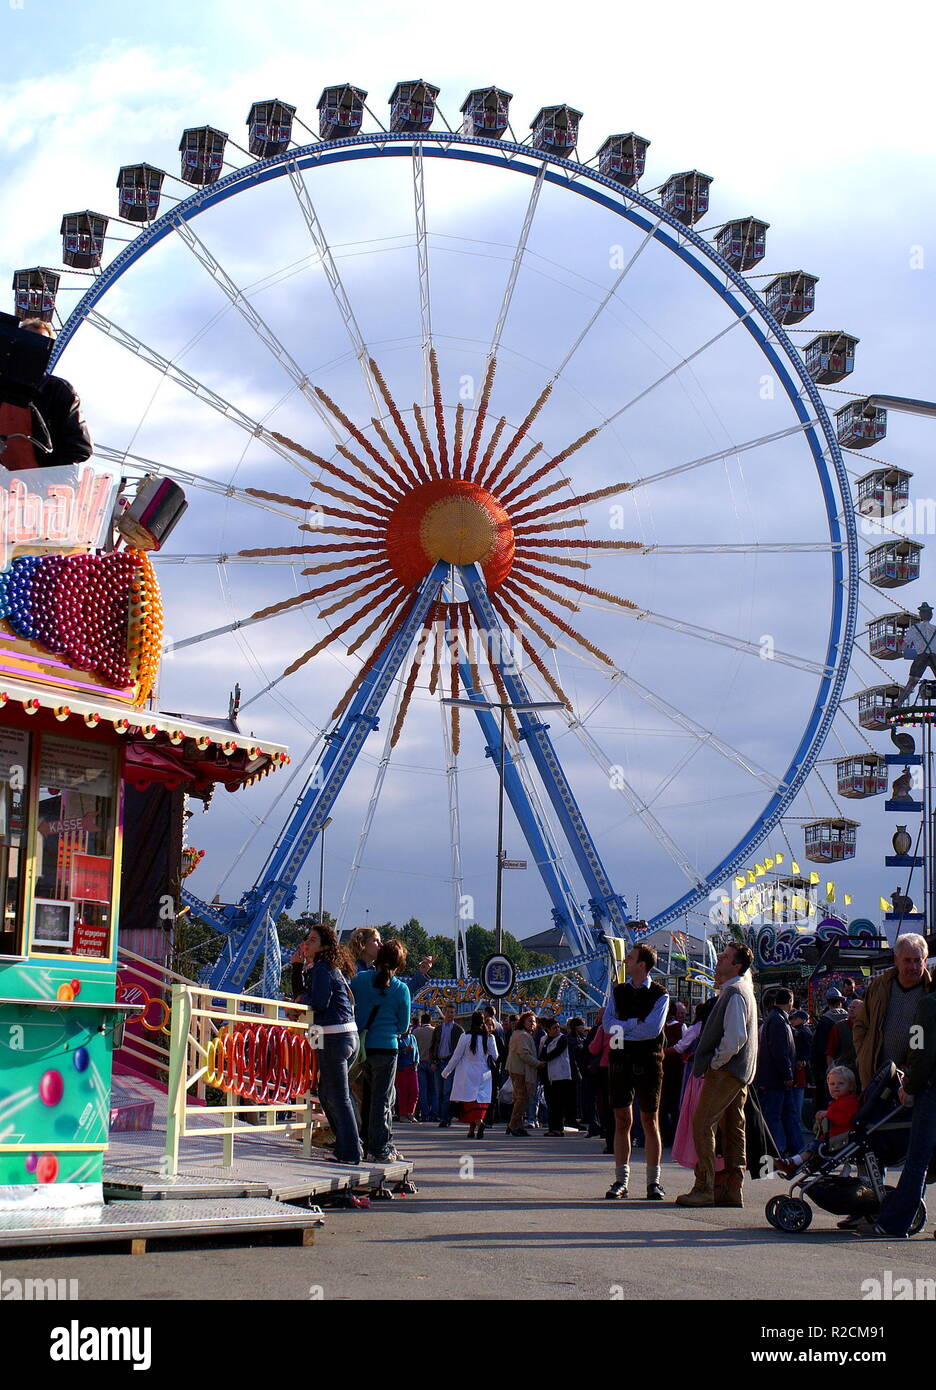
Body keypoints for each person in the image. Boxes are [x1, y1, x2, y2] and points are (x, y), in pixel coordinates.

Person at [676, 941, 758, 1208]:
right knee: (734, 1127)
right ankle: (733, 1187)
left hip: (726, 1070)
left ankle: (705, 1185)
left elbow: (734, 1037)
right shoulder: (743, 990)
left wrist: (715, 1062)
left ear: (736, 965)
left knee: (703, 1123)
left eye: (724, 957)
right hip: (740, 1070)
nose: (718, 959)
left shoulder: (734, 992)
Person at [864, 989, 936, 1238]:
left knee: (917, 1159)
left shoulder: (928, 1004)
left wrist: (910, 1086)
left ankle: (895, 1222)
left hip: (931, 1090)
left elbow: (920, 1048)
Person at [601, 944, 669, 1200]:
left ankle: (654, 1181)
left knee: (650, 1121)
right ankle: (621, 1180)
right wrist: (633, 1025)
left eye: (630, 958)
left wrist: (623, 1027)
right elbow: (607, 1025)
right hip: (620, 1061)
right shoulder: (618, 992)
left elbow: (651, 1030)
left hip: (649, 1062)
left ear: (642, 964)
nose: (625, 961)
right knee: (622, 1120)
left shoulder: (661, 995)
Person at [298, 922, 362, 1165]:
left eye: (313, 940)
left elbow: (320, 1001)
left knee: (338, 1095)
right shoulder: (330, 968)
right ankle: (349, 1143)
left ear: (324, 946)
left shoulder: (323, 968)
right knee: (327, 1093)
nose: (307, 943)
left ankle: (350, 1151)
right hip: (347, 1035)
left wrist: (303, 997)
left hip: (334, 1036)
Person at [349, 940, 411, 1162]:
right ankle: (380, 1148)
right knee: (382, 1100)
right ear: (399, 964)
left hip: (363, 1047)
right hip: (387, 1047)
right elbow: (403, 1027)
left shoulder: (360, 980)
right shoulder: (400, 989)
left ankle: (364, 1142)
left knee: (366, 1098)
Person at [3, 318, 93, 469]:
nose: (33, 349)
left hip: (42, 487)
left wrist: (47, 474)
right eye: (28, 342)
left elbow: (80, 448)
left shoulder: (59, 391)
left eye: (40, 344)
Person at [852, 933, 933, 1089]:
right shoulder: (879, 986)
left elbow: (923, 1041)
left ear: (925, 960)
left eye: (918, 960)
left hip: (912, 1082)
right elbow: (861, 1024)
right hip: (875, 1076)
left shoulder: (930, 993)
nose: (913, 967)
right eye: (907, 960)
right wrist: (863, 1055)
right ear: (896, 960)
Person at [777, 1066, 860, 1176]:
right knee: (810, 1147)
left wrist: (827, 1114)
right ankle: (793, 1163)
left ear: (850, 1087)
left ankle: (793, 1163)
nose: (836, 1087)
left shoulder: (849, 1102)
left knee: (814, 1146)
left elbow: (844, 1119)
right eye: (832, 1084)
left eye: (841, 1084)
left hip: (840, 1139)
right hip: (834, 1138)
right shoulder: (838, 1102)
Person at [756, 987, 801, 1158]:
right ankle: (771, 1155)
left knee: (788, 1116)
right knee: (774, 1118)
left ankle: (795, 1151)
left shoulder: (776, 1019)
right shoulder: (778, 1021)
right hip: (776, 1080)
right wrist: (787, 1075)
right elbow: (780, 1051)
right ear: (790, 1001)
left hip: (775, 1079)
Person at [441, 1010, 499, 1138]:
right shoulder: (489, 1037)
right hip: (484, 1074)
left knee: (469, 1102)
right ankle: (472, 1129)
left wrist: (446, 1072)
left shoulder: (465, 1037)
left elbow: (456, 1057)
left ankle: (478, 1123)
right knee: (479, 1102)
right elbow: (495, 1056)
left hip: (466, 1074)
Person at [539, 1018, 578, 1135]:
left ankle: (558, 1128)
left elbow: (552, 1054)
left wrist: (545, 1055)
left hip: (561, 1075)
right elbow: (541, 1054)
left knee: (559, 1103)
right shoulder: (543, 1039)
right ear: (548, 1029)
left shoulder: (562, 1038)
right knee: (550, 1102)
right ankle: (552, 1128)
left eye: (558, 1027)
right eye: (554, 1028)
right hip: (548, 1076)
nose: (557, 1030)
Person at [811, 989, 848, 1108]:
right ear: (840, 1002)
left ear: (828, 1002)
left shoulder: (825, 1021)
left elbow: (818, 1048)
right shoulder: (849, 1019)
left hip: (827, 1066)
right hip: (847, 1065)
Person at [429, 1003, 463, 1127]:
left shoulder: (458, 1030)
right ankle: (441, 1115)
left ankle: (445, 1118)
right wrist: (432, 1061)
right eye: (448, 1012)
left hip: (450, 1063)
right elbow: (432, 1046)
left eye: (452, 1012)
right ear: (444, 1013)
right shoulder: (438, 1028)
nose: (450, 1014)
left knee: (447, 1092)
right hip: (438, 1063)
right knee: (439, 1091)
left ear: (455, 1014)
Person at [506, 1011, 540, 1136]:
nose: (532, 1024)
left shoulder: (521, 1034)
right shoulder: (522, 1036)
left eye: (534, 1021)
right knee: (522, 1099)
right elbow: (524, 1054)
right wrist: (538, 1063)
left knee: (520, 1099)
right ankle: (513, 1125)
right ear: (523, 1022)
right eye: (530, 1021)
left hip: (518, 1069)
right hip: (520, 1070)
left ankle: (517, 1125)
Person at [660, 1001, 687, 1147]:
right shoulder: (681, 1027)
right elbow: (684, 1047)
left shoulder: (659, 1027)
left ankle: (664, 1134)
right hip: (676, 1069)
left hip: (662, 1068)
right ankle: (675, 1135)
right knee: (676, 1103)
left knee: (663, 1104)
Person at [899, 602, 936, 701]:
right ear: (931, 615)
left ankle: (898, 704)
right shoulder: (935, 629)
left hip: (922, 656)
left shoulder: (914, 629)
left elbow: (904, 644)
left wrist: (903, 650)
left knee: (912, 682)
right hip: (934, 656)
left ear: (920, 615)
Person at [413, 1012, 437, 1121]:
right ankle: (434, 1113)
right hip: (432, 1063)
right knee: (434, 1089)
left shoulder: (416, 1032)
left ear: (421, 1021)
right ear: (430, 1021)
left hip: (420, 1062)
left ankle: (425, 1114)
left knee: (423, 1090)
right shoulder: (434, 1031)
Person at [396, 1021, 420, 1122]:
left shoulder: (413, 1038)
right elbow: (396, 1053)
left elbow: (417, 1051)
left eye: (410, 1027)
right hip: (402, 1069)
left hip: (412, 1068)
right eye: (408, 1027)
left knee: (415, 1091)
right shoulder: (398, 1039)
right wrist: (405, 1050)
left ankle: (411, 1112)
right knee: (403, 1092)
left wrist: (417, 1061)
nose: (410, 1029)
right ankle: (402, 1114)